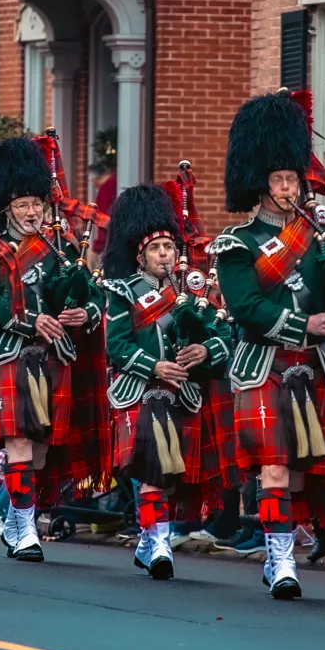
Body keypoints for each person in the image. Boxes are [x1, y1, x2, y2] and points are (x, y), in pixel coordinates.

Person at [213, 89, 325, 599]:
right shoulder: (236, 244)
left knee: (302, 476)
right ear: (259, 184)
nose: (288, 188)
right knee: (274, 465)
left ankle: (279, 543)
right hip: (263, 363)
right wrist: (306, 325)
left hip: (316, 370)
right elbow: (246, 309)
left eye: (292, 179)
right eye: (279, 179)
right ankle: (281, 558)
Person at [0, 137, 106, 564]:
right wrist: (32, 321)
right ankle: (27, 528)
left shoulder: (60, 249)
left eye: (37, 204)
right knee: (19, 443)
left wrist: (86, 313)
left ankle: (15, 514)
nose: (32, 212)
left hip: (54, 358)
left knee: (42, 448)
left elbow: (92, 296)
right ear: (6, 205)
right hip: (10, 353)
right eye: (24, 204)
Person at [100, 185, 233, 580]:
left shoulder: (194, 292)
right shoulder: (122, 292)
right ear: (140, 255)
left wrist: (205, 352)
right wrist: (155, 367)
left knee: (171, 476)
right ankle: (159, 541)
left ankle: (149, 537)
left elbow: (222, 337)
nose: (164, 254)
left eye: (169, 247)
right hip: (141, 392)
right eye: (156, 248)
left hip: (184, 395)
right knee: (152, 470)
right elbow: (115, 346)